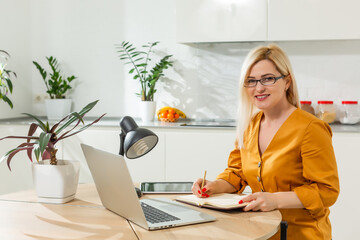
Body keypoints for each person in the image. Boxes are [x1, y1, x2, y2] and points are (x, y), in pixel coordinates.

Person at [192, 44, 339, 240]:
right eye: (251, 81)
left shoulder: (311, 128)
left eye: (268, 79)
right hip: (259, 231)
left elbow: (327, 191)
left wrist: (275, 200)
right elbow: (237, 173)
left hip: (302, 233)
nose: (258, 88)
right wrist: (214, 186)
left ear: (287, 81)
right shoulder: (249, 126)